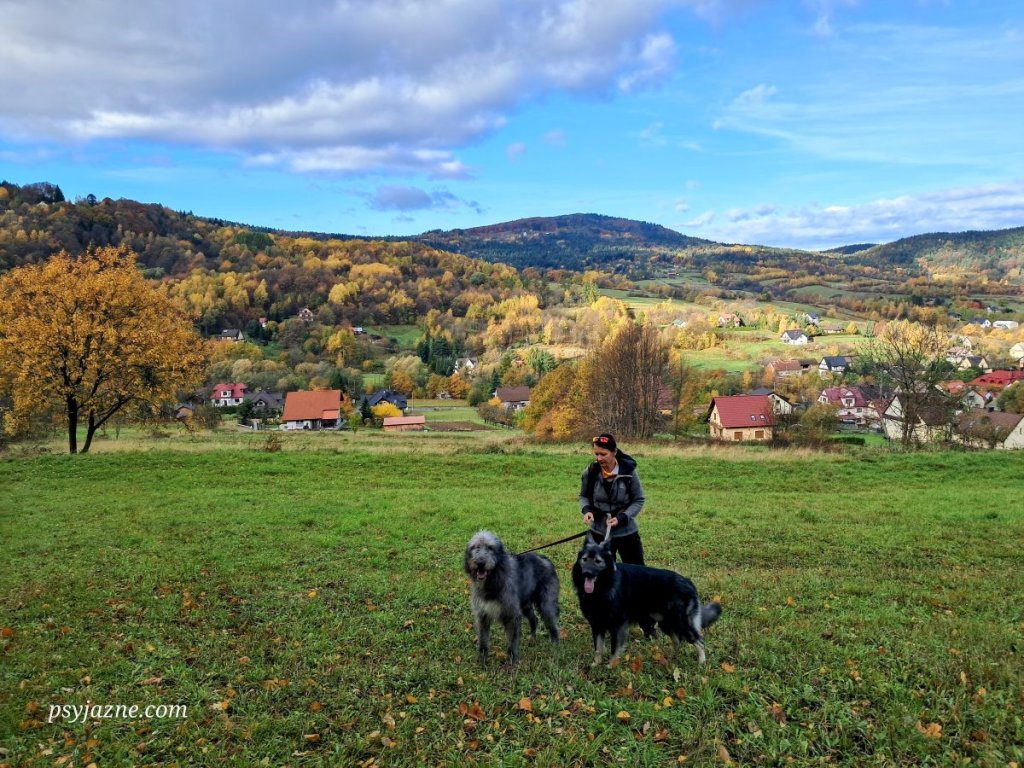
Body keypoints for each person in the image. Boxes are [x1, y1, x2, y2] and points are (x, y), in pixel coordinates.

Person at [579, 433, 646, 566]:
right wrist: (587, 510)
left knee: (637, 572)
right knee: (599, 572)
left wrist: (623, 517)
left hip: (626, 532)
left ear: (614, 452)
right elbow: (584, 496)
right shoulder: (591, 472)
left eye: (603, 454)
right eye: (596, 454)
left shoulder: (629, 472)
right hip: (598, 532)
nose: (599, 458)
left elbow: (639, 499)